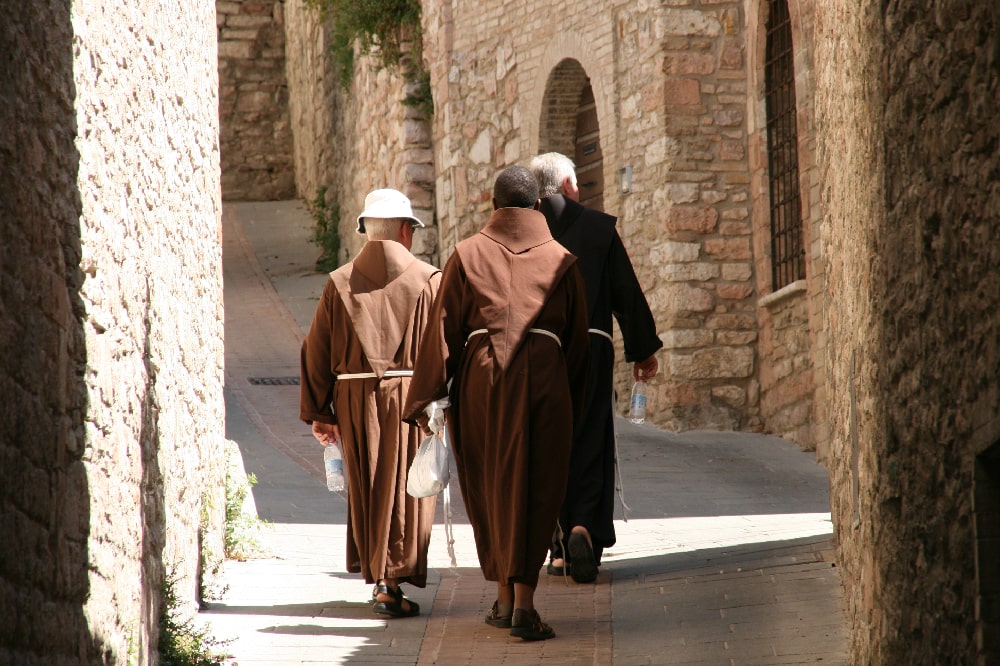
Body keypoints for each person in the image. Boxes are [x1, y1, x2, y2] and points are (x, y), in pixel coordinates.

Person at [402, 166, 589, 641]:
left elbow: (442, 330)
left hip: (480, 381)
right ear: (538, 206)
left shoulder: (466, 254)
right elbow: (577, 346)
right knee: (538, 483)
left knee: (489, 482)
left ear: (493, 205)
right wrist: (569, 397)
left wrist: (427, 398)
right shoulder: (564, 260)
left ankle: (505, 600)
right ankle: (523, 604)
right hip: (545, 377)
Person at [300, 188, 441, 619]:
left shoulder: (338, 283)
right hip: (413, 400)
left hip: (354, 401)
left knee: (370, 486)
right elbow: (444, 347)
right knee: (405, 489)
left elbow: (315, 350)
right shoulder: (430, 280)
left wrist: (321, 412)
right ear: (405, 231)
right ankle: (391, 584)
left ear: (365, 232)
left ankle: (382, 582)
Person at [529, 152, 662, 584]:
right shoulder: (599, 228)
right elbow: (626, 293)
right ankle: (583, 526)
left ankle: (557, 549)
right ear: (568, 185)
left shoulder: (522, 231)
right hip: (591, 348)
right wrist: (643, 350)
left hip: (538, 354)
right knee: (589, 437)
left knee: (546, 444)